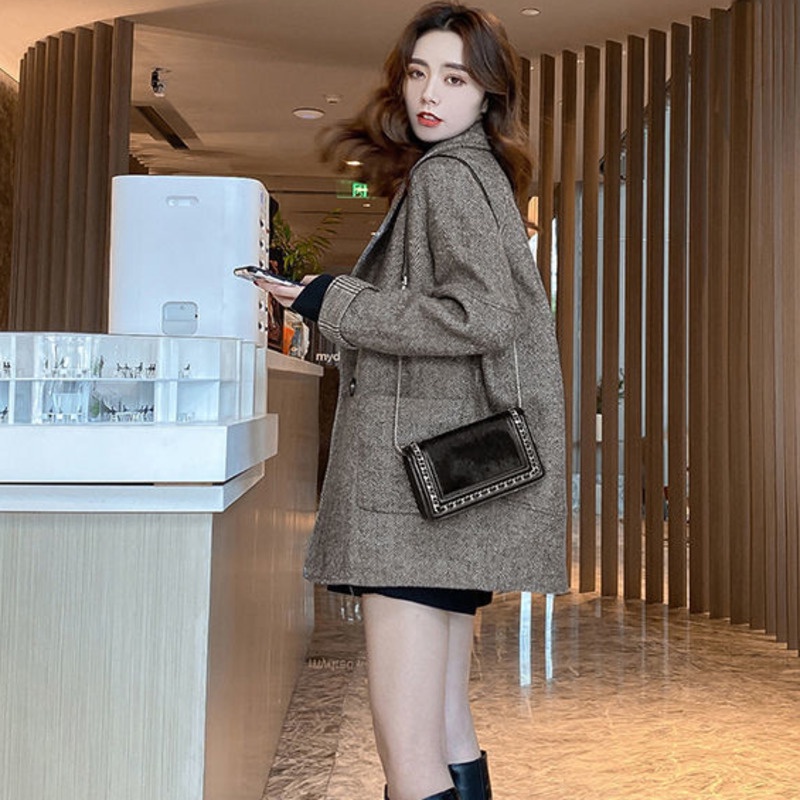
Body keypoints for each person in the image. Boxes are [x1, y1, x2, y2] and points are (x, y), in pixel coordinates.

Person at [264, 4, 568, 799]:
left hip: (412, 497)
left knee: (411, 760)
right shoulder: (479, 172)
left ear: (488, 92)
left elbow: (481, 316)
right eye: (419, 72)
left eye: (455, 78)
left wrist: (335, 299)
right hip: (448, 485)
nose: (431, 94)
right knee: (446, 730)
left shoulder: (447, 177)